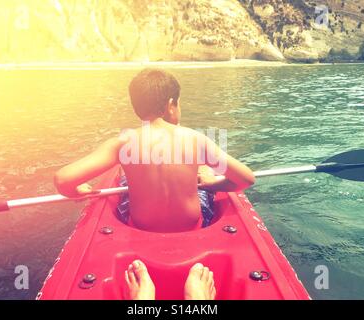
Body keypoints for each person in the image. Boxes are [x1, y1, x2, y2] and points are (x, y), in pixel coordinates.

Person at [54, 69, 255, 300]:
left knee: (125, 177)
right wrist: (211, 184)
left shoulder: (123, 143)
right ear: (171, 104)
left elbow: (63, 180)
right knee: (205, 173)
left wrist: (78, 191)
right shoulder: (195, 139)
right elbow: (245, 179)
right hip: (194, 226)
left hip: (140, 226)